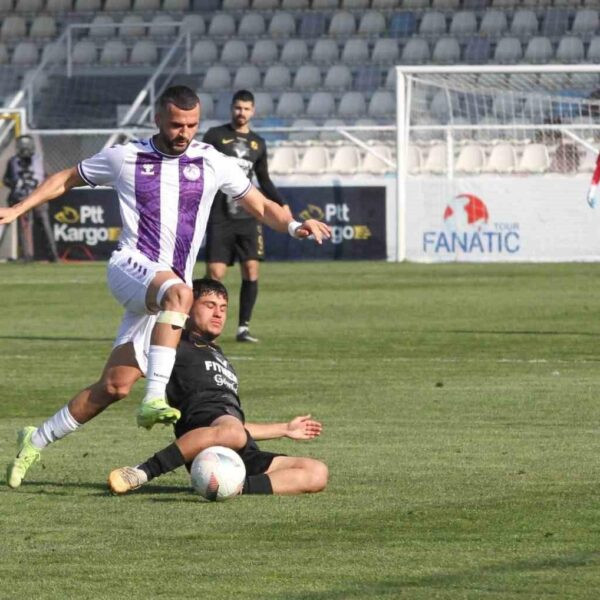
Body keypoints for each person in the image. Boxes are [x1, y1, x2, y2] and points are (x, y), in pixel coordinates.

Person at [3, 85, 330, 489]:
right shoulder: (125, 157)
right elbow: (66, 178)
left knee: (114, 386)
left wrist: (296, 226)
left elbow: (261, 206)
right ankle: (155, 397)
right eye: (176, 124)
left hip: (162, 298)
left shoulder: (212, 161)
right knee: (181, 293)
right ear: (158, 119)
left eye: (192, 125)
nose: (184, 132)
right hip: (130, 266)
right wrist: (16, 209)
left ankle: (34, 440)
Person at [108, 277, 328, 497]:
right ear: (188, 307)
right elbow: (132, 364)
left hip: (238, 447)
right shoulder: (175, 342)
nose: (218, 314)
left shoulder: (219, 355)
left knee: (317, 472)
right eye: (209, 305)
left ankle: (234, 487)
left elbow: (235, 428)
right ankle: (141, 473)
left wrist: (285, 429)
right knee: (233, 432)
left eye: (223, 308)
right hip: (203, 446)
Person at [203, 90, 290, 343]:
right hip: (220, 214)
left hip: (249, 215)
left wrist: (281, 205)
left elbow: (264, 180)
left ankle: (243, 328)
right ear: (231, 108)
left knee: (251, 269)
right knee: (215, 273)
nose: (242, 113)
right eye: (238, 108)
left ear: (253, 112)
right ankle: (207, 327)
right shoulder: (215, 136)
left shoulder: (258, 144)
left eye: (246, 109)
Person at [3, 134, 59, 262]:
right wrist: (15, 183)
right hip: (21, 199)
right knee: (25, 227)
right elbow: (7, 179)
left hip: (36, 198)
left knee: (42, 226)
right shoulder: (13, 161)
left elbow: (50, 177)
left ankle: (51, 255)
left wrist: (43, 188)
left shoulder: (39, 160)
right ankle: (28, 255)